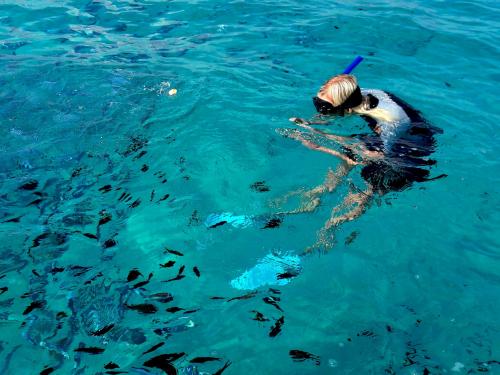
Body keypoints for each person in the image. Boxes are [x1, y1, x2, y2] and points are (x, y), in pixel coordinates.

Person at [276, 74, 445, 251]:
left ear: (346, 107)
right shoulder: (358, 95)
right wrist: (314, 122)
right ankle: (321, 191)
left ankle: (330, 229)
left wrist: (319, 141)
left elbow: (378, 157)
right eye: (317, 103)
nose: (319, 110)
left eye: (324, 107)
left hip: (410, 147)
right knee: (352, 150)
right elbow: (333, 115)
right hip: (388, 138)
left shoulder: (391, 122)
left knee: (372, 176)